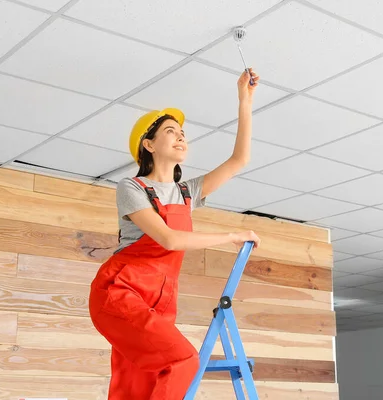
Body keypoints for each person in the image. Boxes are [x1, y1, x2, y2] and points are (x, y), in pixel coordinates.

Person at [89, 68, 261, 399]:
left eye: (183, 132)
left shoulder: (187, 193)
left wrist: (245, 99)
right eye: (171, 131)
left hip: (158, 304)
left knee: (135, 388)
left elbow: (240, 159)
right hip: (119, 294)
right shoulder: (133, 186)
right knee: (183, 360)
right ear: (149, 144)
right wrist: (230, 236)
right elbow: (169, 239)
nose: (181, 136)